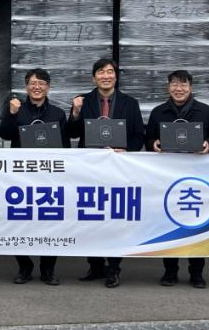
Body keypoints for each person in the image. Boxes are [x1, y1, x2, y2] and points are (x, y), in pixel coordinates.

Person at [67, 58, 145, 288]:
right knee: (90, 217)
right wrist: (76, 112)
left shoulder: (130, 103)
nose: (106, 76)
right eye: (101, 72)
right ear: (94, 78)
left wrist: (127, 150)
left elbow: (138, 134)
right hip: (90, 169)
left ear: (116, 76)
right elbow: (71, 133)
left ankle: (113, 268)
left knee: (115, 219)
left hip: (118, 169)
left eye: (110, 72)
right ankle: (95, 265)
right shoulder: (83, 100)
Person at [0, 68, 70, 286]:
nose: (36, 87)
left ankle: (48, 269)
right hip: (21, 177)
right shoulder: (16, 108)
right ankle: (24, 266)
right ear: (26, 86)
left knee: (51, 222)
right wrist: (11, 114)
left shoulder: (58, 113)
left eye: (41, 83)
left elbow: (66, 146)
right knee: (18, 221)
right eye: (32, 83)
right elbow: (4, 134)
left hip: (49, 178)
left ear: (48, 87)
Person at [145, 70, 208, 289]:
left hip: (197, 178)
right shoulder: (158, 112)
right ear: (168, 87)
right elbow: (148, 138)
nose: (178, 89)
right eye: (174, 84)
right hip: (167, 179)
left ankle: (196, 273)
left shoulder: (205, 111)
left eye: (183, 84)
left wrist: (208, 144)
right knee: (167, 223)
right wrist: (153, 144)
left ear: (191, 87)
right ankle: (170, 272)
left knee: (195, 223)